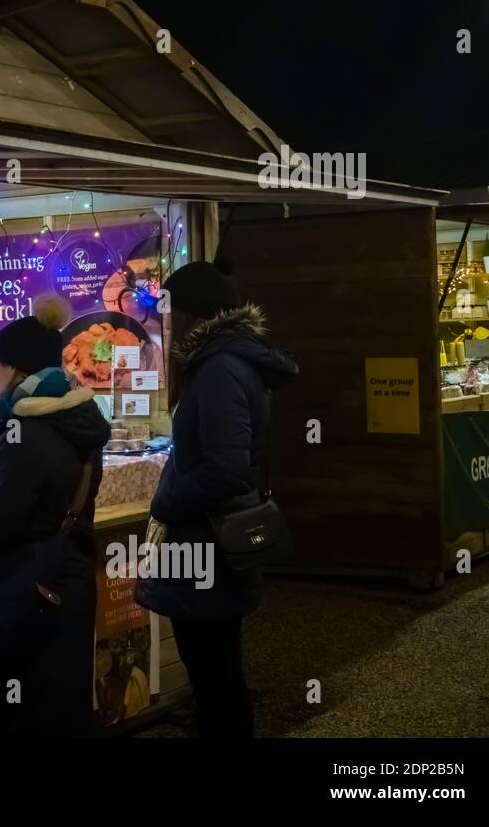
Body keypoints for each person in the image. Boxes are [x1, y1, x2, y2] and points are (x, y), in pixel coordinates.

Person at [134, 256, 297, 738]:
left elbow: (224, 468)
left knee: (213, 671)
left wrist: (167, 500)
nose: (165, 322)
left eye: (170, 311)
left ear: (190, 314)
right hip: (211, 538)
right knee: (218, 669)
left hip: (206, 542)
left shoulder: (219, 369)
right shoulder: (228, 362)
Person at [0, 297, 111, 737]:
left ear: (15, 371)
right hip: (66, 583)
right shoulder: (79, 421)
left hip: (25, 593)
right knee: (61, 707)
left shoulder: (26, 432)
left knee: (12, 709)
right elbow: (40, 500)